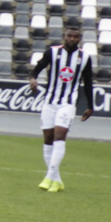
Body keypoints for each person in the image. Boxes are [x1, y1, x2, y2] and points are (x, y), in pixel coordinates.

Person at [29, 24, 94, 192]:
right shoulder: (53, 52)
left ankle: (48, 177)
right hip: (49, 102)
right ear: (65, 37)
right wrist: (33, 78)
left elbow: (88, 83)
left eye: (75, 37)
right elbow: (39, 66)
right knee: (48, 139)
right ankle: (57, 180)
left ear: (79, 39)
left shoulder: (85, 58)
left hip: (68, 103)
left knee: (60, 136)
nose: (72, 39)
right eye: (69, 36)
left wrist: (90, 105)